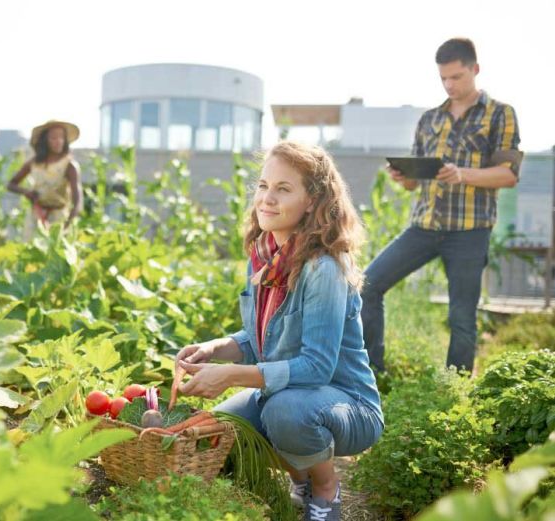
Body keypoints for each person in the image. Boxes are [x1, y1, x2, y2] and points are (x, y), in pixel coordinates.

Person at [175, 141, 383, 521]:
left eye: (283, 189)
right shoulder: (264, 256)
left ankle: (324, 490)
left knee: (284, 412)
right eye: (263, 186)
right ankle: (300, 474)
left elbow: (316, 367)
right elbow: (259, 342)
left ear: (313, 200)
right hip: (287, 394)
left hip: (347, 405)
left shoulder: (324, 268)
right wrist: (212, 349)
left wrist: (232, 377)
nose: (267, 199)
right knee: (219, 433)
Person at [361, 38, 522, 374]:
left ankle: (456, 387)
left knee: (461, 317)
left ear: (475, 70)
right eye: (444, 78)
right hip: (424, 226)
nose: (450, 85)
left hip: (469, 231)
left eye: (457, 77)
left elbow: (508, 175)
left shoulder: (500, 114)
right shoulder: (430, 120)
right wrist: (404, 177)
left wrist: (462, 174)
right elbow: (416, 181)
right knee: (367, 284)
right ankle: (372, 373)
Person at [7, 120, 83, 236]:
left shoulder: (69, 166)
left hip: (58, 216)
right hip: (36, 214)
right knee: (31, 249)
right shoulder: (34, 163)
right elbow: (11, 184)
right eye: (53, 138)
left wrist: (68, 223)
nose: (58, 141)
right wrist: (26, 192)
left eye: (61, 138)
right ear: (45, 141)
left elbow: (77, 201)